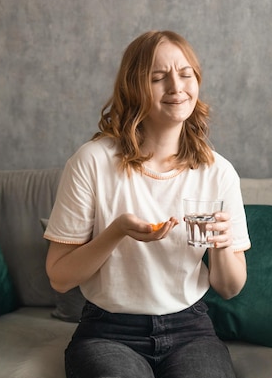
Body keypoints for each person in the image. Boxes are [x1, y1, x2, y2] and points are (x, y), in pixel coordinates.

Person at [44, 30, 250, 378]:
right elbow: (59, 278)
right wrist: (117, 231)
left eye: (186, 74)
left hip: (191, 330)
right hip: (109, 332)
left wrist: (222, 243)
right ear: (133, 88)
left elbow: (229, 288)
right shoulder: (92, 162)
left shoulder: (218, 172)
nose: (176, 86)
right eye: (158, 78)